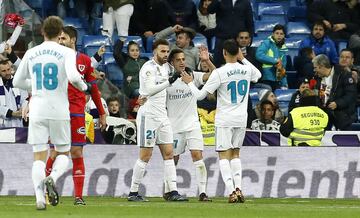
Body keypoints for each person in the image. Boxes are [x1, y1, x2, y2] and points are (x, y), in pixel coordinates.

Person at [12, 16, 90, 210]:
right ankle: (53, 177)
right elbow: (73, 76)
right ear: (61, 33)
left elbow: (17, 82)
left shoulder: (31, 52)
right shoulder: (66, 52)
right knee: (63, 152)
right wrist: (84, 85)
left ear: (42, 32)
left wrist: (36, 86)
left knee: (38, 155)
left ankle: (39, 199)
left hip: (37, 108)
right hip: (59, 109)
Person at [181, 39, 261, 203]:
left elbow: (200, 96)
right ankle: (238, 189)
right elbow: (258, 75)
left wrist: (190, 83)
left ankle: (231, 191)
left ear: (224, 53)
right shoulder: (245, 69)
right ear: (237, 52)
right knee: (236, 154)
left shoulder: (220, 73)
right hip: (241, 118)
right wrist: (242, 58)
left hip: (224, 119)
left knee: (224, 156)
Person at [45, 26, 107, 205]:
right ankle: (46, 191)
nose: (60, 41)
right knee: (55, 151)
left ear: (72, 40)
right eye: (58, 38)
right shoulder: (52, 60)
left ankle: (78, 196)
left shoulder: (85, 61)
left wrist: (101, 113)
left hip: (77, 112)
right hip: (56, 112)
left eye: (63, 38)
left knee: (77, 152)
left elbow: (94, 89)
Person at [128, 39, 187, 202]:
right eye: (162, 51)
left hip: (162, 116)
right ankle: (133, 192)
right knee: (145, 155)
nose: (165, 54)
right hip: (149, 116)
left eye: (167, 51)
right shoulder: (148, 68)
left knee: (169, 154)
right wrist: (169, 81)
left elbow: (178, 72)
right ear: (154, 51)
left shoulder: (167, 67)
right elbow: (149, 90)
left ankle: (171, 191)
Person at [164, 47, 215, 201]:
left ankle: (203, 193)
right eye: (178, 60)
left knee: (197, 156)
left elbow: (214, 75)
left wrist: (207, 61)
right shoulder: (166, 80)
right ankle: (169, 190)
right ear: (171, 62)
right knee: (173, 159)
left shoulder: (192, 75)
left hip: (193, 125)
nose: (182, 62)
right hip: (174, 126)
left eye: (183, 59)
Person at [313, 54, 357, 130]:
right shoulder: (317, 78)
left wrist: (337, 104)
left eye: (315, 68)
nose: (314, 70)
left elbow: (351, 95)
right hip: (324, 117)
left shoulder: (343, 74)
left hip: (342, 116)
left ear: (322, 66)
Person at [207, 0, 254, 67]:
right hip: (221, 37)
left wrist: (250, 36)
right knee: (217, 63)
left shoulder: (245, 2)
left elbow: (250, 20)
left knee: (239, 64)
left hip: (238, 39)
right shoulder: (221, 1)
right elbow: (210, 10)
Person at [255, 24, 288, 90]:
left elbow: (282, 68)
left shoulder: (284, 49)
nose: (279, 35)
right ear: (273, 34)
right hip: (266, 78)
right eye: (277, 33)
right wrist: (275, 61)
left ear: (284, 36)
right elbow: (259, 55)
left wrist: (284, 84)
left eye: (281, 34)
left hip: (277, 80)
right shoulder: (266, 43)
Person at [0, 59, 28, 127]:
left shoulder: (16, 82)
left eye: (8, 69)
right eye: (4, 71)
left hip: (18, 122)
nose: (7, 73)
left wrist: (23, 109)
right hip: (2, 123)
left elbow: (25, 98)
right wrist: (12, 113)